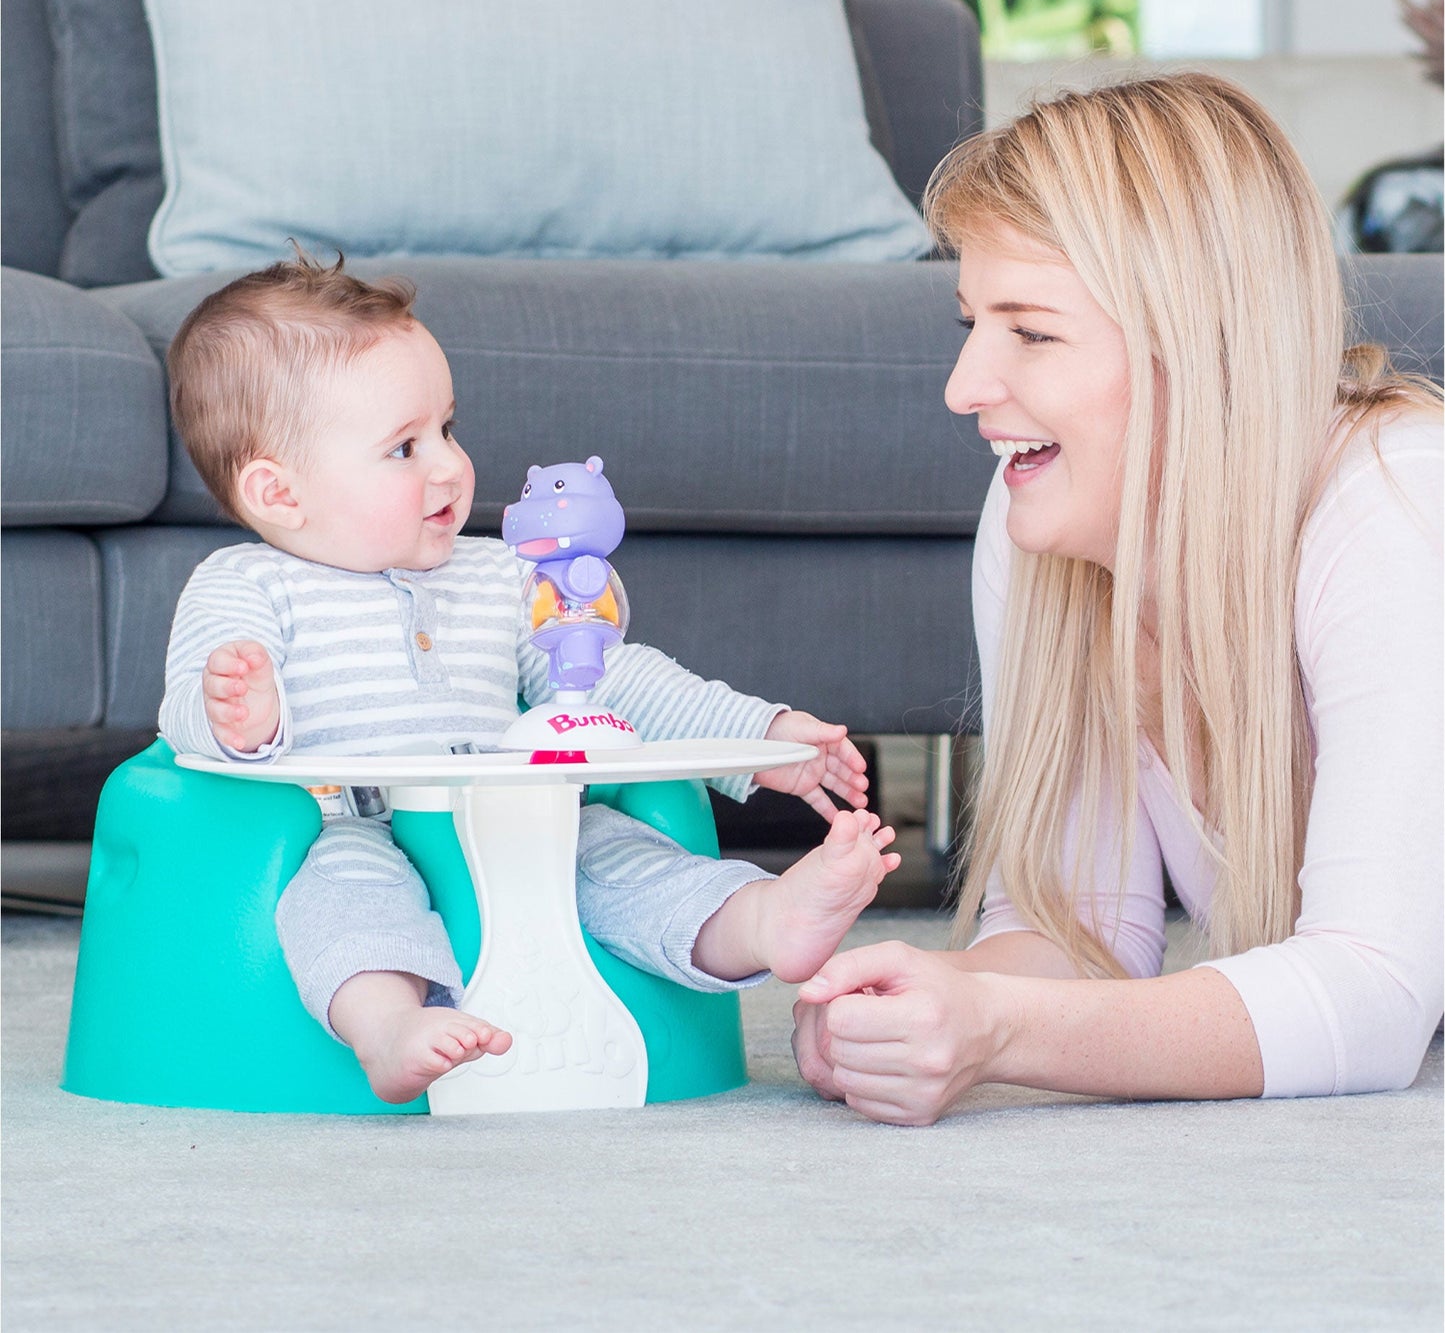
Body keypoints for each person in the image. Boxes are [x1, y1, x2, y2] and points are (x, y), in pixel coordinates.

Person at [792, 71, 1443, 1124]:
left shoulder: (1395, 501)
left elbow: (1370, 1000)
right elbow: (1077, 928)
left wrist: (1003, 1026)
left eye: (1030, 332)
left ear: (1205, 348)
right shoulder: (1044, 517)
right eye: (970, 321)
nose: (963, 387)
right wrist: (922, 1002)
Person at [159, 253, 898, 1104]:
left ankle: (762, 922)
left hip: (524, 816)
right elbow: (187, 708)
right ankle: (388, 1026)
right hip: (347, 821)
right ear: (277, 492)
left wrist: (754, 737)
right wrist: (235, 710)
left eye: (447, 427)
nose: (448, 465)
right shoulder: (246, 585)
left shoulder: (499, 575)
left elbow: (606, 683)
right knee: (343, 903)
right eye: (403, 446)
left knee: (628, 860)